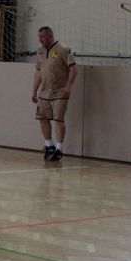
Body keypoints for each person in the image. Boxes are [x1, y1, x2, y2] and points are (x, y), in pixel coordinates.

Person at [31, 26, 77, 161]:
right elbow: (38, 72)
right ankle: (49, 145)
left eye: (42, 37)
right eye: (39, 37)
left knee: (58, 120)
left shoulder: (63, 49)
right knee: (42, 118)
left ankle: (59, 148)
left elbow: (73, 69)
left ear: (50, 36)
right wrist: (34, 90)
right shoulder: (40, 52)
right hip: (44, 92)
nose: (40, 40)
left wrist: (68, 86)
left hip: (59, 92)